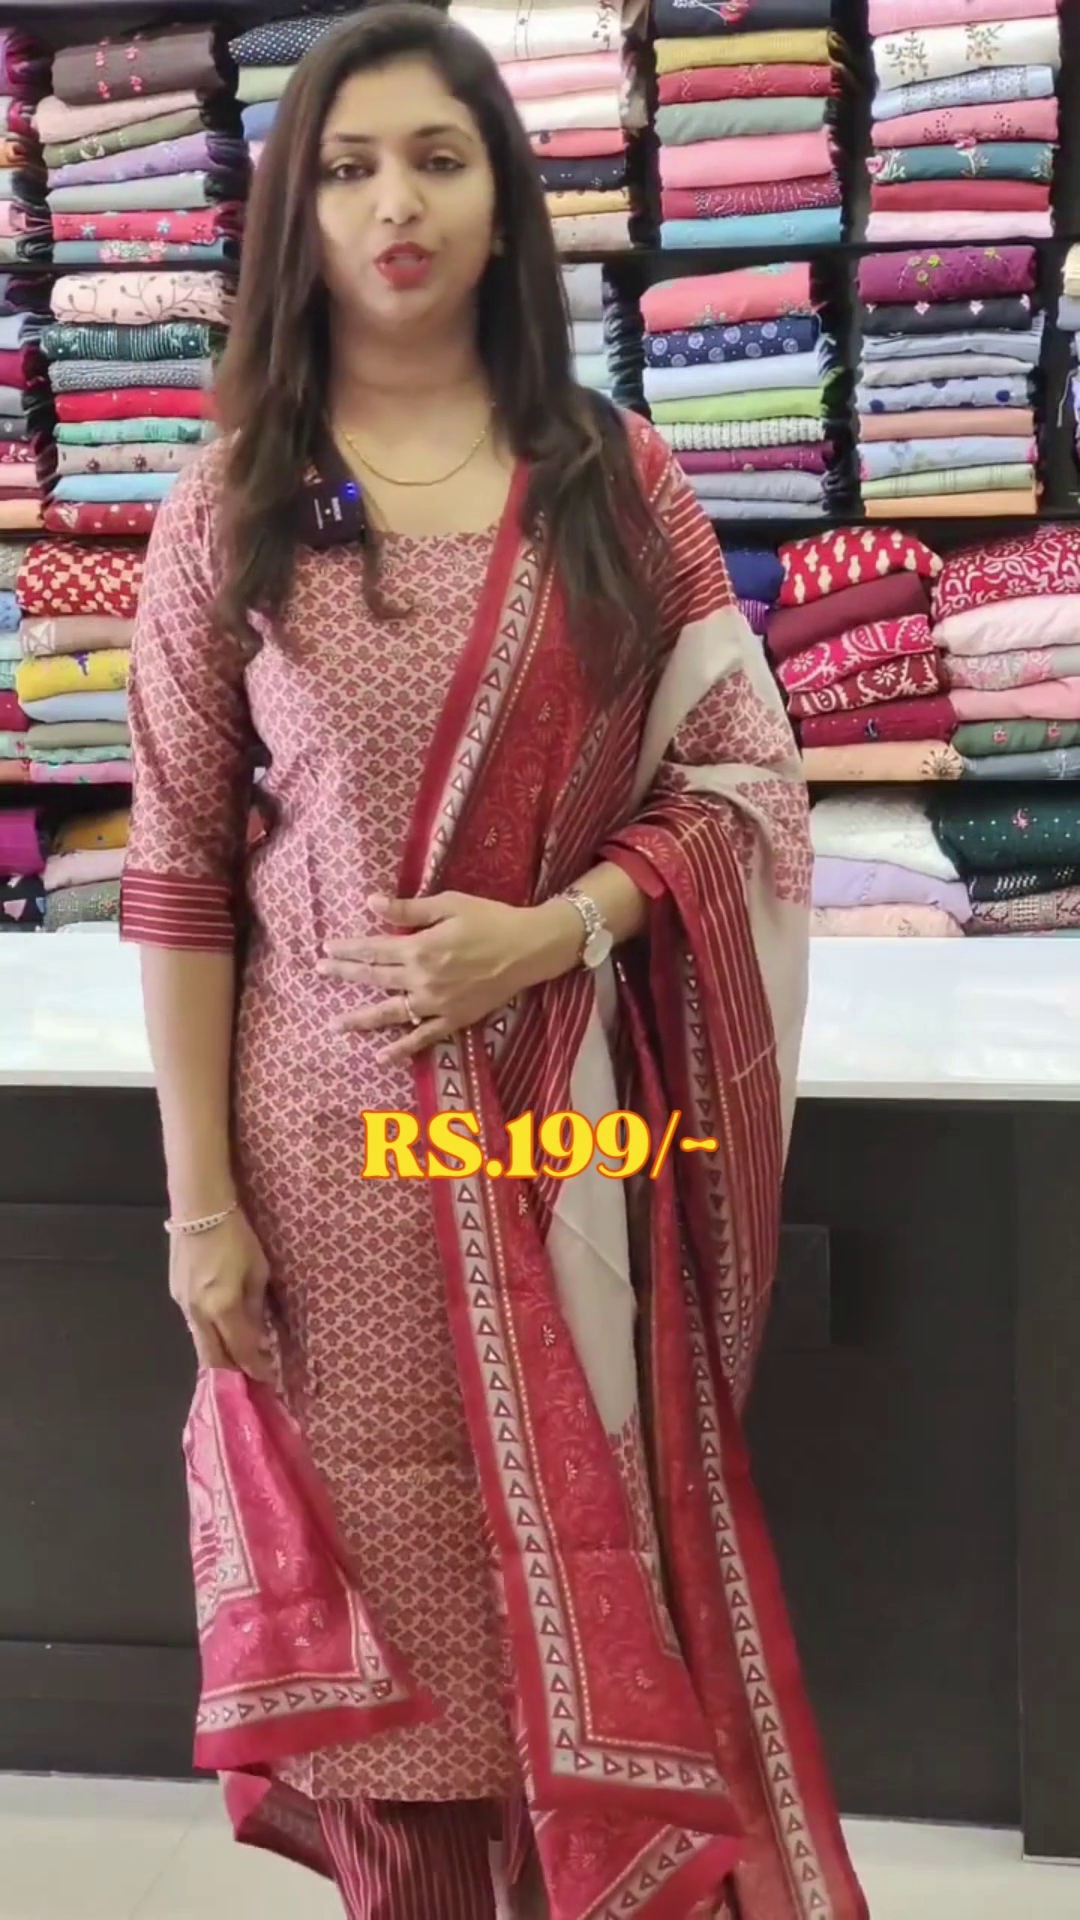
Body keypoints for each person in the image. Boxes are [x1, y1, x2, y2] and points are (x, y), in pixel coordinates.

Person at [120, 7, 866, 1919]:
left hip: (563, 1144)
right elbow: (182, 875)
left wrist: (563, 924)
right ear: (294, 215)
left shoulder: (613, 475)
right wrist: (201, 1210)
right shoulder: (232, 503)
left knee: (588, 1577)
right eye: (350, 167)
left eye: (439, 161)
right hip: (325, 1172)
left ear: (505, 203)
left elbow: (745, 778)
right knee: (407, 1686)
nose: (396, 204)